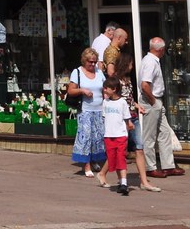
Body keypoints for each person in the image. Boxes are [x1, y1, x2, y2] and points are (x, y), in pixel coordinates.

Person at [98, 52, 160, 192]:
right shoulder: (115, 81)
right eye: (131, 64)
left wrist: (136, 105)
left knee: (139, 147)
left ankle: (143, 181)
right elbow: (114, 100)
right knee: (118, 151)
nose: (132, 66)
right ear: (125, 64)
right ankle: (106, 174)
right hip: (123, 120)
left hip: (133, 116)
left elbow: (129, 98)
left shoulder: (127, 79)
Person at [140, 36, 185, 178]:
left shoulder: (152, 60)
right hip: (151, 100)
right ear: (161, 50)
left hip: (156, 100)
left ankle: (168, 166)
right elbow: (145, 85)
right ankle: (150, 167)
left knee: (164, 132)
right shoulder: (150, 62)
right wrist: (153, 101)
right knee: (150, 136)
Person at [67, 46, 106, 176]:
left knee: (97, 137)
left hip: (99, 110)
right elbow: (70, 90)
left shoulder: (99, 72)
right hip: (85, 110)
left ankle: (94, 159)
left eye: (95, 62)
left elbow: (104, 88)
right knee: (86, 137)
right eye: (90, 62)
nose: (93, 64)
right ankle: (86, 164)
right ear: (84, 60)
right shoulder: (77, 72)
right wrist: (82, 90)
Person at [99, 75, 133, 195]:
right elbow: (104, 118)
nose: (104, 90)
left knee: (121, 158)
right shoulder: (105, 102)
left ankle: (124, 183)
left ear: (114, 89)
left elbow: (127, 118)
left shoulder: (122, 102)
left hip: (120, 135)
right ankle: (121, 182)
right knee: (112, 159)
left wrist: (129, 126)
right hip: (109, 135)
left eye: (106, 88)